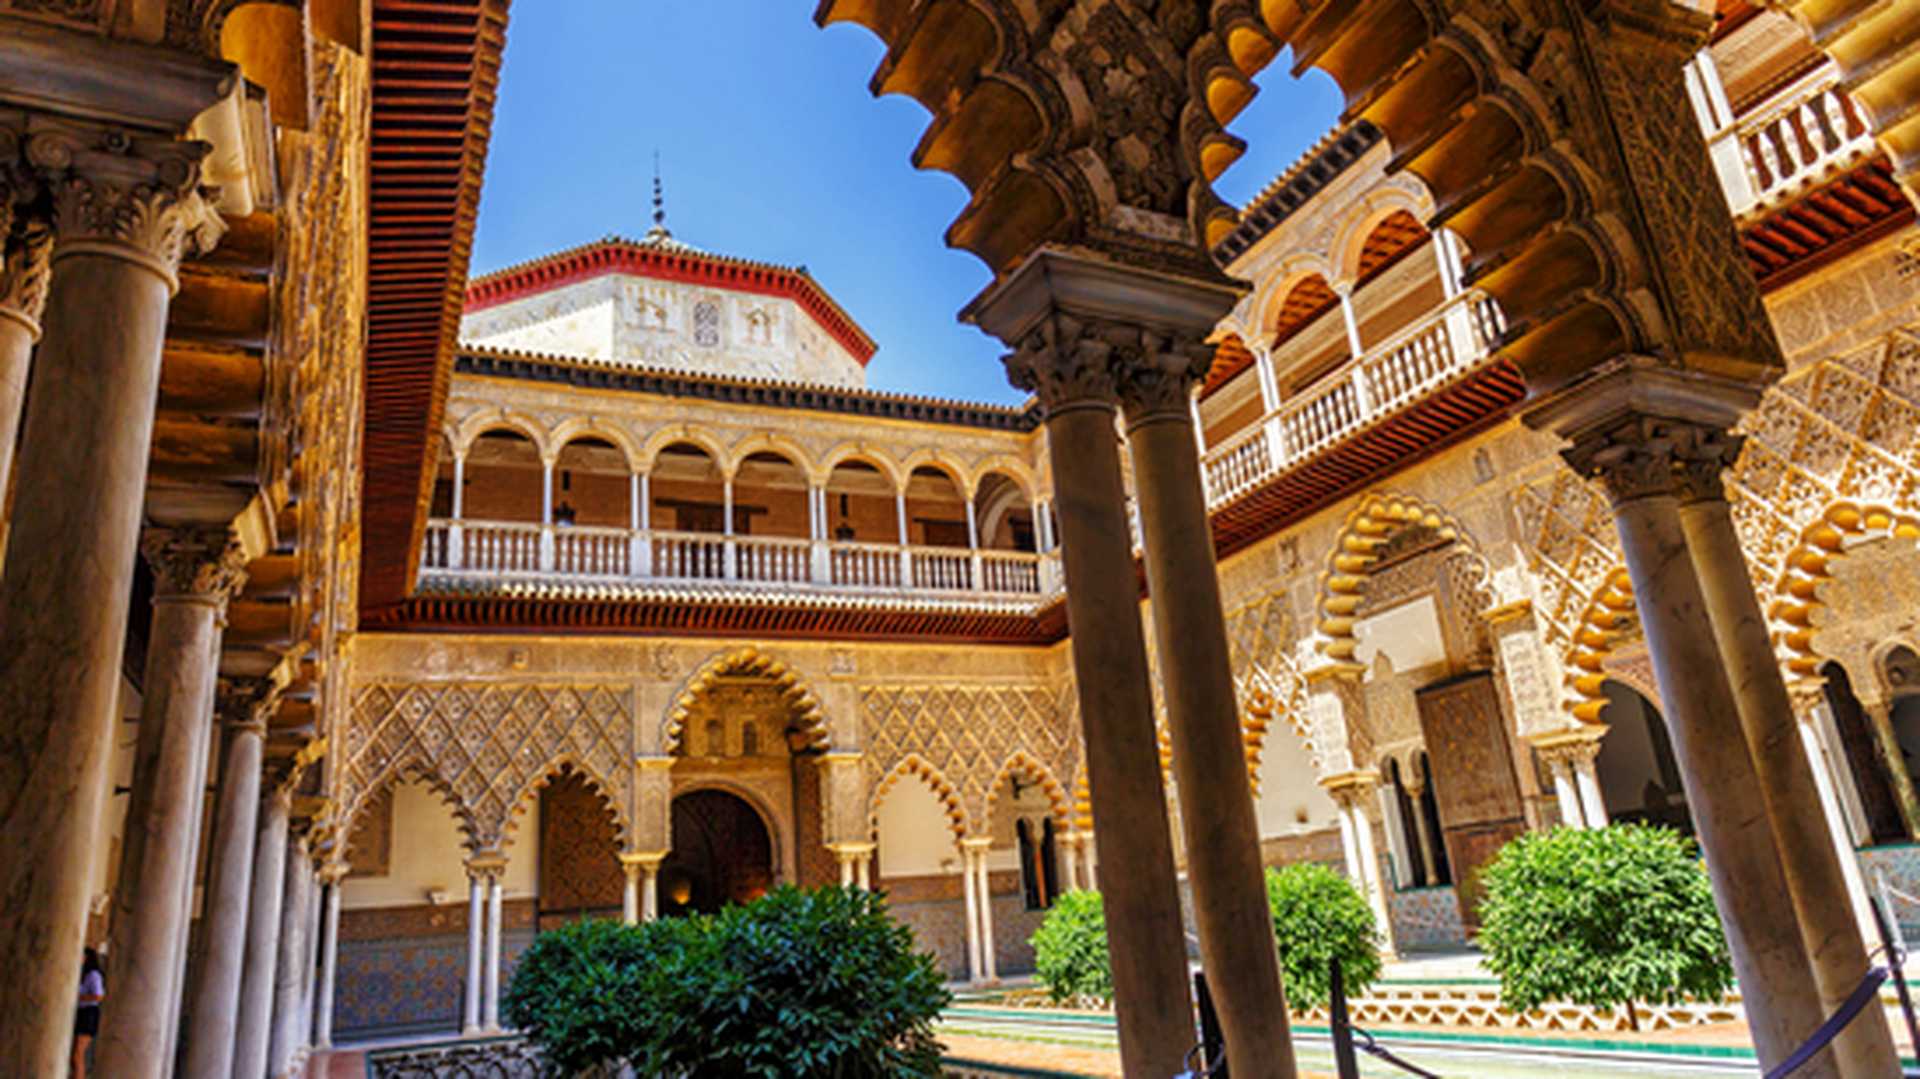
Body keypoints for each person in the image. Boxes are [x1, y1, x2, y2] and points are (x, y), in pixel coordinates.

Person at [73, 948, 103, 1079]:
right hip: (82, 1014)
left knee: (78, 1054)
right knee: (74, 1056)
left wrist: (79, 997)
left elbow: (98, 996)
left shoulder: (93, 975)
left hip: (89, 1015)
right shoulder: (82, 974)